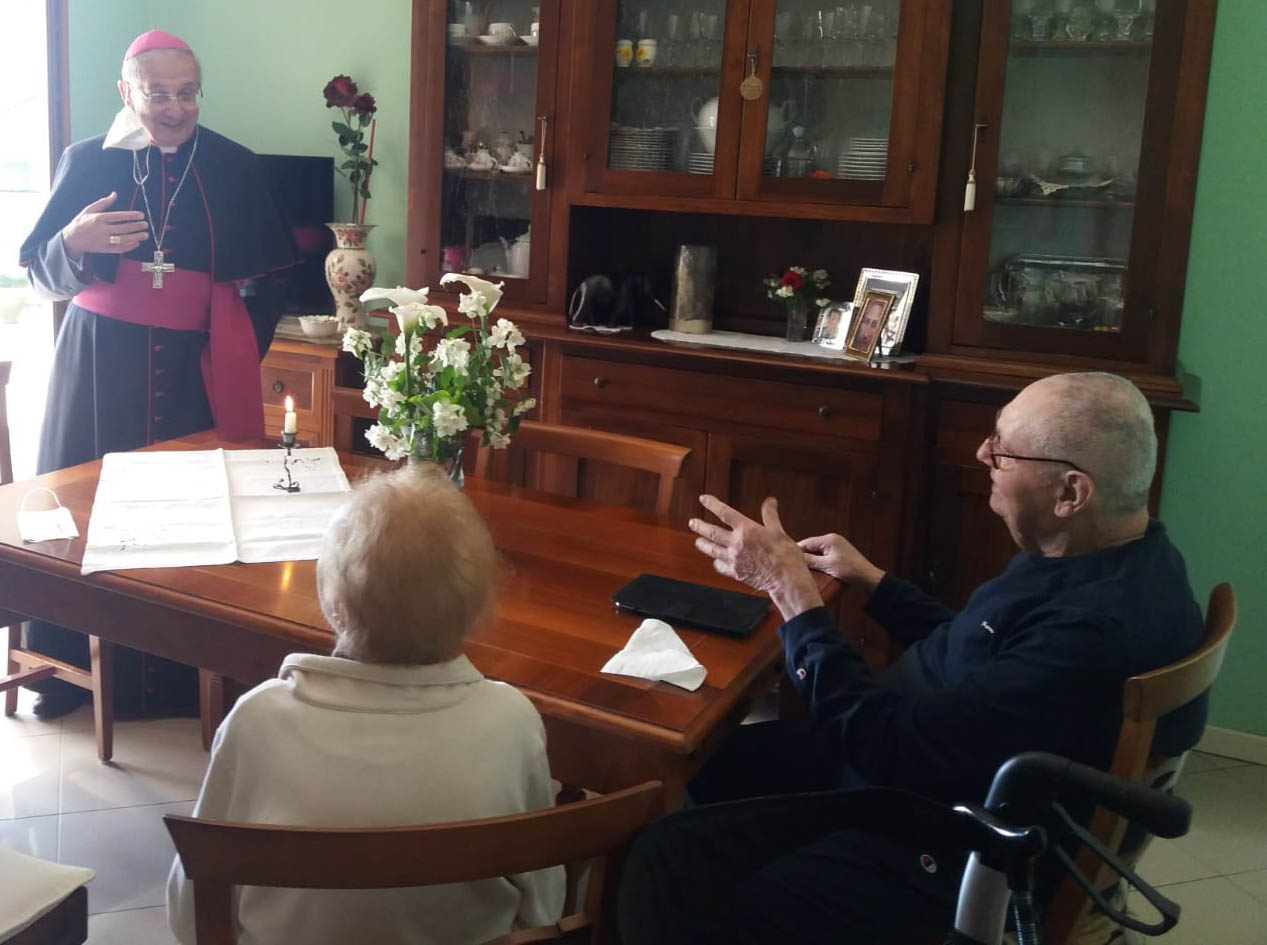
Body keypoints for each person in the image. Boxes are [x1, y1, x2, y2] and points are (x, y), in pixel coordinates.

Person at [618, 372, 1208, 945]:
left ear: (1071, 493)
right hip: (932, 760)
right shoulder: (1120, 557)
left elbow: (886, 748)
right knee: (694, 764)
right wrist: (873, 582)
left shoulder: (1091, 632)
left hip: (944, 833)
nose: (982, 454)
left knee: (663, 861)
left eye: (1003, 450)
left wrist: (792, 593)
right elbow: (977, 644)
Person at [17, 29, 298, 719]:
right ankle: (67, 676)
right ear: (126, 91)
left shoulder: (233, 165)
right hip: (97, 364)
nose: (175, 108)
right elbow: (39, 272)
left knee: (192, 519)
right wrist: (71, 242)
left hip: (193, 371)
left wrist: (231, 349)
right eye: (158, 93)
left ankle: (182, 682)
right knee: (84, 513)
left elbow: (268, 281)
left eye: (187, 93)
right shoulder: (88, 161)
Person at [166, 466, 565, 944]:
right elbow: (542, 904)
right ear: (476, 609)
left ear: (335, 607)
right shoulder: (512, 720)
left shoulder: (257, 720)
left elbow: (192, 912)